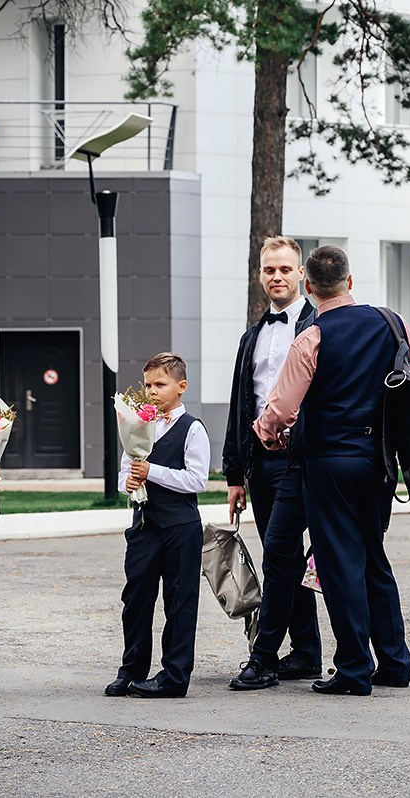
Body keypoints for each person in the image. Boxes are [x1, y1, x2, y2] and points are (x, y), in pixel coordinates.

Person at [254, 245, 410, 696]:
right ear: (350, 281)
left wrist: (266, 432)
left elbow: (281, 409)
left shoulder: (311, 336)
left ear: (308, 286)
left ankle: (352, 669)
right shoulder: (393, 323)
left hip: (328, 462)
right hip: (378, 461)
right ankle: (394, 662)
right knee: (373, 556)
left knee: (339, 563)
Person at [222, 236, 323, 690]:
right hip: (261, 463)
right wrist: (235, 474)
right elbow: (240, 405)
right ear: (260, 275)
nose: (277, 277)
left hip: (305, 460)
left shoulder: (322, 325)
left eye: (285, 269)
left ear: (301, 274)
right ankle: (305, 652)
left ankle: (263, 657)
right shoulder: (253, 337)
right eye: (269, 270)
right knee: (282, 557)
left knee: (282, 557)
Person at [105, 352, 210, 699]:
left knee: (179, 600)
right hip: (145, 525)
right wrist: (129, 484)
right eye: (148, 384)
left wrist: (154, 473)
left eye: (160, 384)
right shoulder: (137, 425)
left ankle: (174, 676)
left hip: (181, 526)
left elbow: (198, 479)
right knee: (135, 598)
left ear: (181, 387)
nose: (152, 391)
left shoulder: (192, 427)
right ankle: (131, 669)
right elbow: (124, 472)